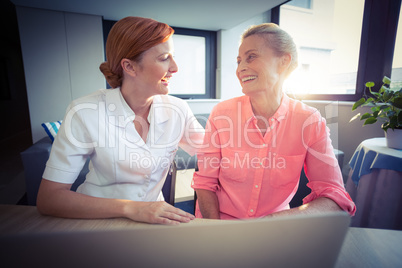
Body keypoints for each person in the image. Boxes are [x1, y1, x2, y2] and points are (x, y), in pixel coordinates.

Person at [37, 16, 204, 225]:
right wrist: (130, 208)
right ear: (130, 67)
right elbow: (49, 199)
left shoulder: (177, 109)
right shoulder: (84, 111)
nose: (175, 68)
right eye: (164, 58)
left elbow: (216, 152)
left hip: (153, 217)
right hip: (96, 218)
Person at [192, 23, 356, 220]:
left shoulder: (309, 121)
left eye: (251, 57)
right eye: (239, 61)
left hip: (276, 229)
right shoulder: (221, 114)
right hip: (220, 223)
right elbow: (205, 182)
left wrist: (274, 222)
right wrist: (215, 231)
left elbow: (334, 195)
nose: (241, 68)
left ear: (283, 61)